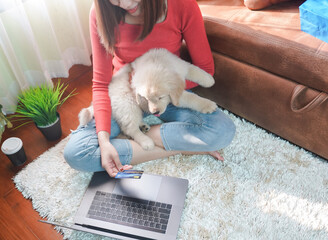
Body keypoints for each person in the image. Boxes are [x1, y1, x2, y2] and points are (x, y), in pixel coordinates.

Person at [64, 0, 236, 177]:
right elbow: (101, 84)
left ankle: (140, 135)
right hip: (126, 95)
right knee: (77, 153)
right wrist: (104, 141)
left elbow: (205, 70)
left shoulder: (182, 5)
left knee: (222, 132)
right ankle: (182, 146)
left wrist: (162, 91)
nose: (124, 4)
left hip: (165, 96)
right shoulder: (102, 12)